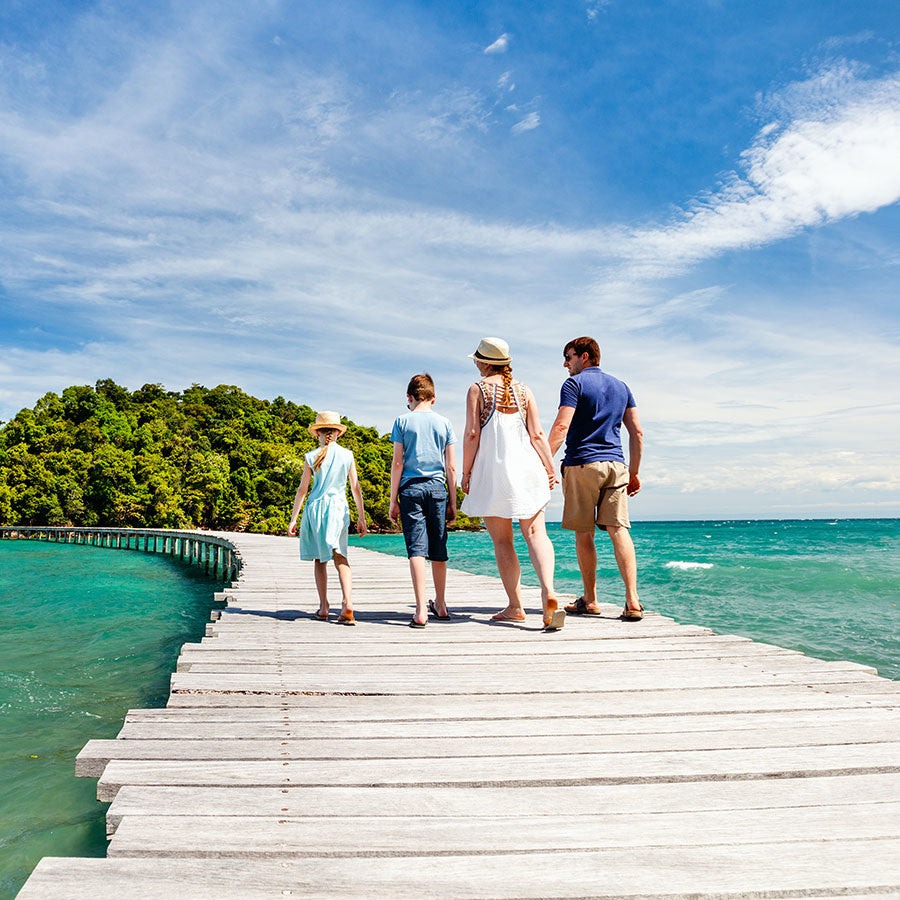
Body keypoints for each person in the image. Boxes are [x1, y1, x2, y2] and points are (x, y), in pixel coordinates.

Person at [461, 338, 565, 630]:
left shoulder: (477, 389)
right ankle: (548, 592)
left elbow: (471, 434)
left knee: (503, 540)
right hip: (528, 468)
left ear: (484, 362)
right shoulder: (524, 389)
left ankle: (516, 606)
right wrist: (549, 467)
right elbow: (538, 434)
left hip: (493, 472)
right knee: (536, 533)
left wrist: (466, 473)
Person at [548, 336, 644, 620]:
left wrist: (541, 461)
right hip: (616, 465)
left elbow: (562, 424)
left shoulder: (574, 384)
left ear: (585, 356)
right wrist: (635, 472)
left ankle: (590, 600)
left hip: (582, 464)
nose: (566, 364)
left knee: (584, 532)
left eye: (569, 357)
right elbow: (637, 432)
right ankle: (633, 600)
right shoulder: (622, 387)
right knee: (619, 529)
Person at [389, 374, 457, 628]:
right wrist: (453, 500)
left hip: (410, 489)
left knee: (416, 549)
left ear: (409, 397)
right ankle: (440, 603)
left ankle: (420, 611)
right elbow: (451, 466)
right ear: (433, 398)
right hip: (438, 488)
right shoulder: (445, 423)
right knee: (438, 549)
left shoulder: (402, 421)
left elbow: (398, 463)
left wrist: (392, 499)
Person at [287, 411, 367, 625]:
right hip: (338, 508)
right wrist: (362, 517)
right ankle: (347, 601)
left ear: (318, 435)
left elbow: (302, 490)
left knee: (319, 558)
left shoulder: (311, 456)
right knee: (341, 557)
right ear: (338, 433)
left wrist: (293, 519)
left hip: (316, 509)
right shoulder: (347, 455)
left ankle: (323, 607)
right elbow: (355, 489)